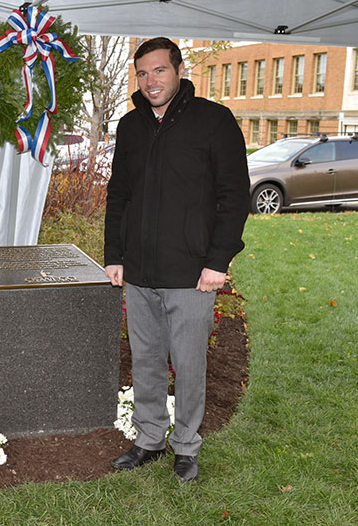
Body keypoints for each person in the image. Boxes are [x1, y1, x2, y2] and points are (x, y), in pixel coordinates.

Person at [104, 37, 249, 482]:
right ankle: (149, 439)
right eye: (143, 73)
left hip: (192, 273)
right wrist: (115, 255)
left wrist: (217, 262)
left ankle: (186, 445)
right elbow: (119, 195)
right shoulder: (130, 127)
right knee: (145, 360)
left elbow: (235, 195)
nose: (151, 80)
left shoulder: (214, 121)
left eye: (159, 70)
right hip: (141, 271)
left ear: (179, 70)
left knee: (188, 364)